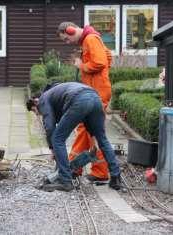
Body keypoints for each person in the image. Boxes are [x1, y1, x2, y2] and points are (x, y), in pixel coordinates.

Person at [26, 82, 121, 192]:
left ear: (35, 102)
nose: (38, 114)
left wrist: (52, 148)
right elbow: (85, 119)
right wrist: (93, 139)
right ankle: (116, 177)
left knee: (57, 139)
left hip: (80, 100)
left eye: (35, 111)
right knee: (102, 139)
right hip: (95, 98)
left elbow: (50, 127)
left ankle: (65, 180)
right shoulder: (57, 93)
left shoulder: (43, 99)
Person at [56, 22, 112, 182]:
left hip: (97, 92)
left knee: (94, 131)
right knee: (84, 129)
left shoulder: (90, 40)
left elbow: (100, 62)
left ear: (71, 30)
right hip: (94, 91)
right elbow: (108, 57)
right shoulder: (91, 39)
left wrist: (82, 66)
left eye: (67, 39)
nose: (68, 42)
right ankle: (74, 166)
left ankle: (100, 172)